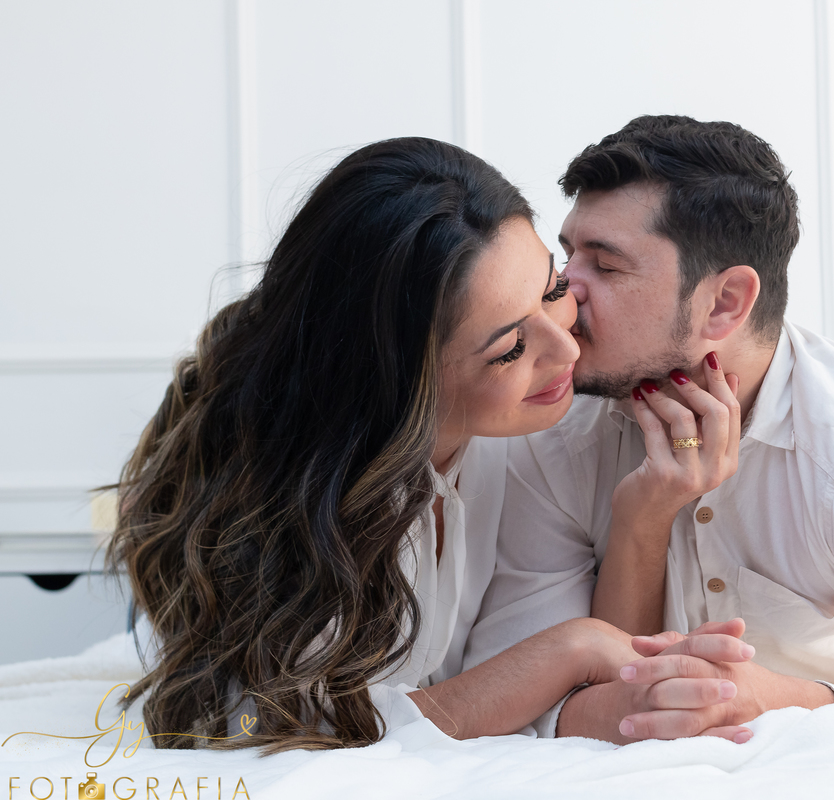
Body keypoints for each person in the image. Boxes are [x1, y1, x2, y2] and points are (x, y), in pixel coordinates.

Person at [107, 137, 752, 751]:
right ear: (399, 380)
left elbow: (534, 696)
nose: (567, 347)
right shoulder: (291, 501)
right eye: (508, 350)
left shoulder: (529, 443)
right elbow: (275, 728)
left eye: (554, 290)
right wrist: (571, 647)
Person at [464, 116, 834, 742]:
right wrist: (642, 519)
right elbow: (521, 697)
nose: (562, 292)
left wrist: (768, 700)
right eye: (569, 254)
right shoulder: (550, 427)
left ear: (724, 304)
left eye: (604, 267)